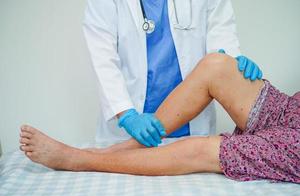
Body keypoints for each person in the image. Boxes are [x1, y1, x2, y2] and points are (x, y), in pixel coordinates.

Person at [19, 53, 299, 183]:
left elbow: (218, 22)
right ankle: (123, 149)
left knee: (203, 148)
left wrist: (228, 45)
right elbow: (101, 51)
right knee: (216, 66)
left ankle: (79, 159)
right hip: (293, 111)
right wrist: (126, 113)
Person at [83, 0, 263, 147]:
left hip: (191, 132)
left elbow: (221, 34)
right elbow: (102, 59)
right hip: (128, 131)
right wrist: (126, 114)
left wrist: (231, 63)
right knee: (116, 162)